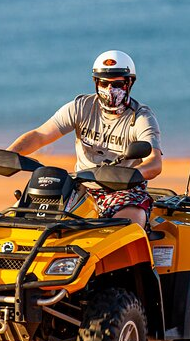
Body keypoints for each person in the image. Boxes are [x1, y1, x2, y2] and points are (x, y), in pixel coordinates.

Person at [8, 50, 162, 228]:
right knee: (19, 217)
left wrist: (131, 175)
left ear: (129, 83)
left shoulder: (141, 118)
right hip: (80, 187)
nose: (110, 90)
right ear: (96, 82)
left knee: (127, 228)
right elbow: (40, 135)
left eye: (118, 83)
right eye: (104, 83)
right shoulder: (81, 107)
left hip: (124, 192)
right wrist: (10, 154)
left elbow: (154, 162)